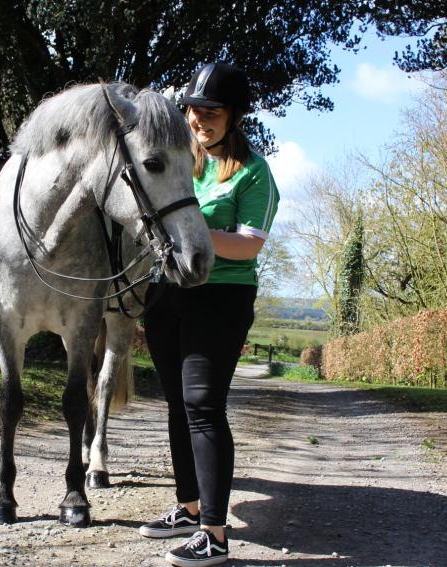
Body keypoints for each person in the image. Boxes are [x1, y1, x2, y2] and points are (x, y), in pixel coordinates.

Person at [139, 62, 280, 566]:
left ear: (235, 115)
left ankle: (214, 534)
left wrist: (189, 228)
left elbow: (248, 245)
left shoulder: (254, 172)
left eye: (212, 111)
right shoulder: (179, 161)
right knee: (178, 405)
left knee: (202, 404)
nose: (199, 119)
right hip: (166, 293)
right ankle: (188, 507)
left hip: (221, 297)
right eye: (194, 109)